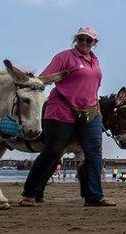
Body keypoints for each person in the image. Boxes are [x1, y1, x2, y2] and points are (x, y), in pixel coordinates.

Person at [21, 26, 113, 207]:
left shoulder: (95, 60)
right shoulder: (64, 57)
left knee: (94, 153)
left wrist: (99, 113)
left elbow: (94, 88)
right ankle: (30, 193)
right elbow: (44, 78)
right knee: (53, 151)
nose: (84, 42)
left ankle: (94, 196)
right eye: (81, 39)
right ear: (76, 39)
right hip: (61, 110)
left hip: (90, 112)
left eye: (88, 40)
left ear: (95, 43)